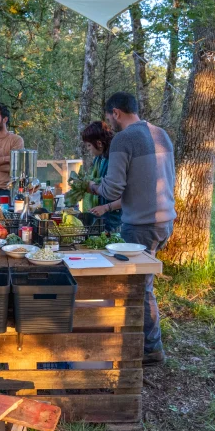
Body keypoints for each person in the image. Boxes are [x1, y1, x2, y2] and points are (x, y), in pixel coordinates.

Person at [88, 92, 176, 366]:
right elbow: (145, 184)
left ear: (116, 113)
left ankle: (149, 349)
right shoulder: (161, 134)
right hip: (165, 221)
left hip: (141, 226)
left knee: (138, 288)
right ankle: (143, 343)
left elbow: (112, 187)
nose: (109, 123)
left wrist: (90, 187)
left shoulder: (124, 139)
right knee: (144, 285)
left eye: (108, 117)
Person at [81, 121, 122, 233]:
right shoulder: (99, 159)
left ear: (99, 143)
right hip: (102, 218)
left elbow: (126, 197)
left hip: (115, 221)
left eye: (89, 145)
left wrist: (105, 207)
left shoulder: (114, 160)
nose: (88, 149)